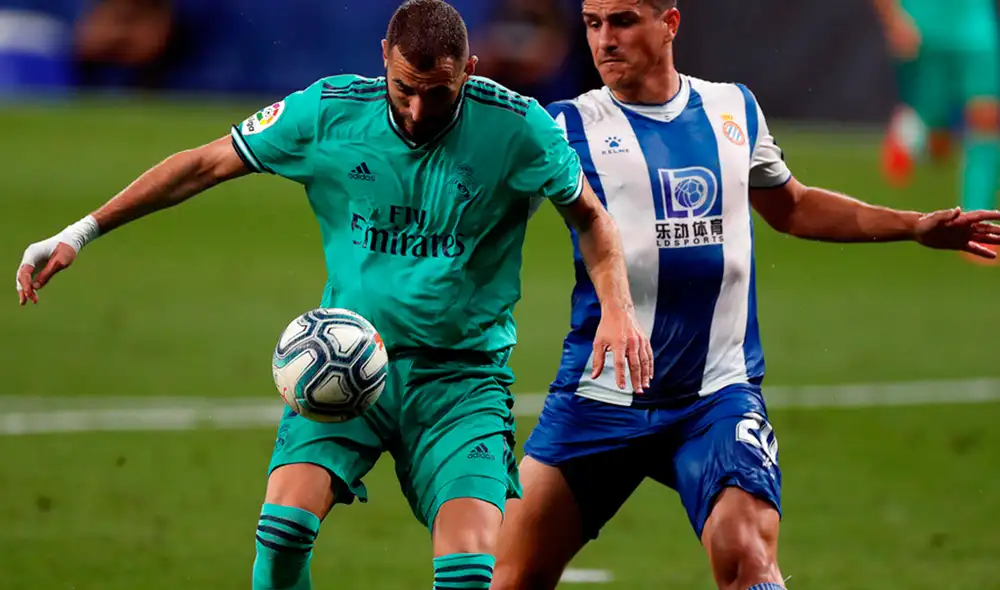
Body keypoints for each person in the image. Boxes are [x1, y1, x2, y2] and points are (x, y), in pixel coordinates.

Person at [14, 1, 653, 588]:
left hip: (461, 381)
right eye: (405, 89)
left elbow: (591, 219)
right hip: (344, 363)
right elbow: (205, 163)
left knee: (466, 573)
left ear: (470, 71)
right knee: (283, 533)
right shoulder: (328, 113)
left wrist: (617, 309)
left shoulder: (518, 128)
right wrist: (82, 230)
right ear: (383, 57)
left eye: (440, 94)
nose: (417, 111)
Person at [491, 1, 1000, 590]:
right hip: (601, 395)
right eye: (592, 23)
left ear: (670, 24)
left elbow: (793, 206)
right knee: (512, 577)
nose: (604, 40)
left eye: (624, 20)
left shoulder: (732, 108)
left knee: (747, 559)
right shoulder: (564, 126)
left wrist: (912, 226)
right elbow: (482, 210)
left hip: (715, 397)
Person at [873, 0, 1000, 261]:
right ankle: (909, 137)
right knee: (938, 141)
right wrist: (893, 18)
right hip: (924, 26)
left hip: (976, 25)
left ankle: (975, 223)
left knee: (986, 119)